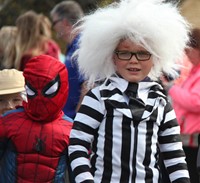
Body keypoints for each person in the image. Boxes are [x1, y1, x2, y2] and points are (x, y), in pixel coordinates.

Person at [68, 0, 191, 182]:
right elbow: (77, 143)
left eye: (142, 53)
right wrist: (85, 179)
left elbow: (174, 156)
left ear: (155, 58)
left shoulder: (161, 103)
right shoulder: (98, 97)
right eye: (125, 53)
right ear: (112, 56)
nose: (134, 61)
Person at [0, 55, 74, 182]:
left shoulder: (70, 129)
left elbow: (78, 172)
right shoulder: (9, 122)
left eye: (16, 99)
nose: (9, 106)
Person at [168, 28, 200, 183]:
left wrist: (171, 88)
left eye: (189, 51)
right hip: (185, 136)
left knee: (189, 173)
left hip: (191, 138)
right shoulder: (195, 71)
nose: (187, 54)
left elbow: (196, 102)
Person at [50, 1, 87, 119]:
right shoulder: (75, 45)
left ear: (65, 22)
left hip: (74, 123)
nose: (54, 27)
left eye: (54, 22)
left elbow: (88, 87)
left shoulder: (81, 45)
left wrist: (77, 123)